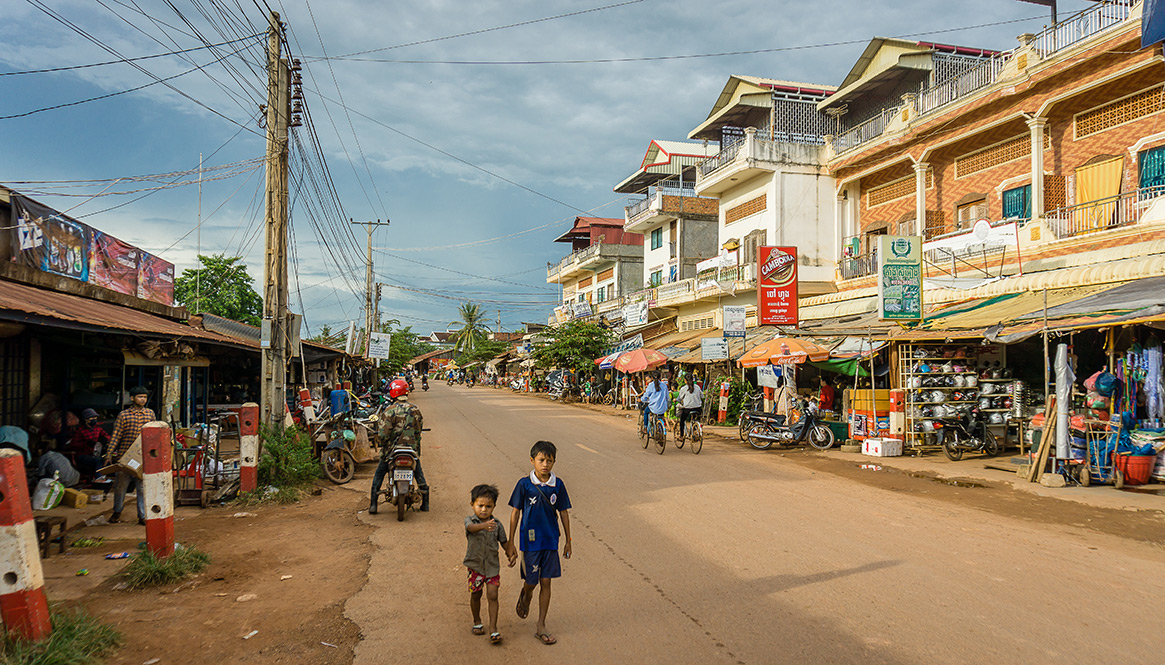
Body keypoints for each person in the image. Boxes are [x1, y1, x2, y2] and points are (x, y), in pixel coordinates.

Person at [508, 441, 572, 646]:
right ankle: (526, 593)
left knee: (546, 582)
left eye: (549, 461)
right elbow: (515, 512)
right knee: (532, 582)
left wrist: (568, 541)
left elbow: (563, 512)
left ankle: (541, 625)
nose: (545, 464)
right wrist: (511, 542)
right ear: (532, 460)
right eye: (541, 460)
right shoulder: (524, 484)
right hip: (530, 541)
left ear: (554, 462)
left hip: (551, 540)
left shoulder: (558, 485)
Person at [464, 484, 517, 645]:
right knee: (476, 595)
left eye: (488, 506)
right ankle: (477, 621)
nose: (484, 510)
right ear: (472, 504)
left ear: (494, 506)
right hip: (475, 567)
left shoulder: (497, 525)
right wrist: (483, 526)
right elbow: (470, 528)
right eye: (480, 506)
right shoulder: (471, 520)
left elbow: (504, 542)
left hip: (492, 567)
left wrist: (511, 553)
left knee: (493, 595)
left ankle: (494, 629)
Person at [370, 378, 428, 514]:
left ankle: (373, 504)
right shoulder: (416, 410)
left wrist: (383, 445)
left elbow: (383, 435)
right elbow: (419, 431)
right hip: (411, 450)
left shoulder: (389, 411)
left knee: (379, 473)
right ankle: (425, 503)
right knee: (418, 473)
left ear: (393, 392)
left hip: (392, 451)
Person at [106, 386, 155, 525]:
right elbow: (116, 436)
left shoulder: (150, 414)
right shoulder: (123, 415)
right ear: (132, 398)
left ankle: (142, 516)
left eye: (145, 397)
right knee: (121, 486)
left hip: (143, 457)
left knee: (142, 487)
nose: (143, 399)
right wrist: (109, 454)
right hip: (124, 457)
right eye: (140, 397)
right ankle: (117, 511)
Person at [67, 408, 109, 477]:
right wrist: (86, 444)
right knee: (98, 461)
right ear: (86, 420)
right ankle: (99, 479)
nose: (94, 419)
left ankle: (101, 477)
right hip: (82, 455)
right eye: (92, 418)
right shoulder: (80, 431)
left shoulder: (97, 428)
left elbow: (107, 436)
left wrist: (105, 439)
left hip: (94, 454)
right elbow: (73, 445)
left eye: (95, 417)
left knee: (105, 460)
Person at [641, 371, 669, 437]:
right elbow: (667, 397)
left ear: (652, 378)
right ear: (660, 377)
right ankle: (660, 431)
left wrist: (642, 400)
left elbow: (646, 396)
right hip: (662, 407)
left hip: (653, 407)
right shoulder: (664, 385)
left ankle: (645, 427)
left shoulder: (650, 386)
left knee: (646, 412)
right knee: (660, 417)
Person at [676, 374, 704, 439]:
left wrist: (677, 401)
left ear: (685, 380)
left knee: (682, 420)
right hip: (698, 408)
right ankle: (696, 430)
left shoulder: (683, 388)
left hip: (687, 408)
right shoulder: (697, 387)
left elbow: (679, 398)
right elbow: (702, 396)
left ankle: (681, 435)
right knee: (695, 418)